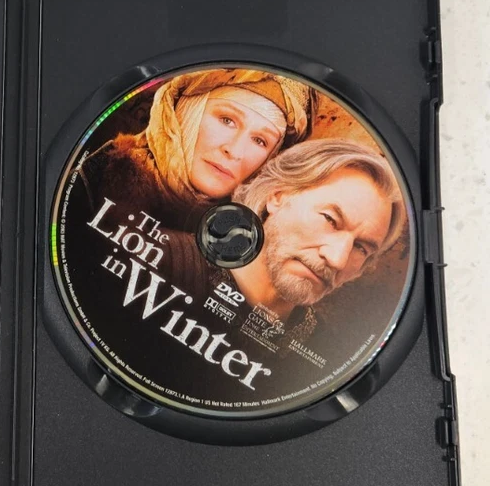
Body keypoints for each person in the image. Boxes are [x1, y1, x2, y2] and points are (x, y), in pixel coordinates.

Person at [160, 139, 406, 349]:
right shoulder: (160, 257)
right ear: (277, 196)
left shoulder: (323, 354)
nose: (337, 259)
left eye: (361, 248)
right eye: (330, 219)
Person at [76, 68, 315, 231]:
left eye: (260, 141)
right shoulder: (88, 181)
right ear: (184, 110)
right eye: (227, 120)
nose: (234, 151)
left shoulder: (247, 251)